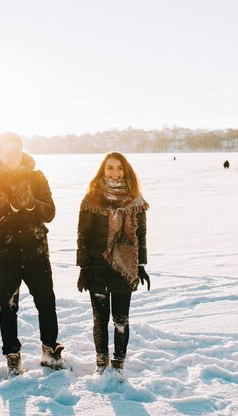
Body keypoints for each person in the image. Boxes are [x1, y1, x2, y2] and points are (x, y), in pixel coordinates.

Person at [0, 132, 64, 376]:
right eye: (7, 152)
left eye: (16, 151)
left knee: (46, 302)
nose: (12, 156)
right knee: (8, 306)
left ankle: (50, 350)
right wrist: (10, 206)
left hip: (36, 252)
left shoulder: (36, 177)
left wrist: (33, 205)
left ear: (21, 151)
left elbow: (50, 213)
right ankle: (12, 355)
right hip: (5, 257)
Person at [76, 151, 150, 375]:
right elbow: (83, 235)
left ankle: (118, 365)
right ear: (103, 170)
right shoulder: (91, 199)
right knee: (100, 319)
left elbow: (141, 236)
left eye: (119, 168)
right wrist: (84, 268)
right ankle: (101, 363)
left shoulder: (135, 201)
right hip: (97, 267)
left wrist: (140, 266)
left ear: (125, 171)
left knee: (121, 319)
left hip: (124, 268)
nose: (115, 172)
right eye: (110, 167)